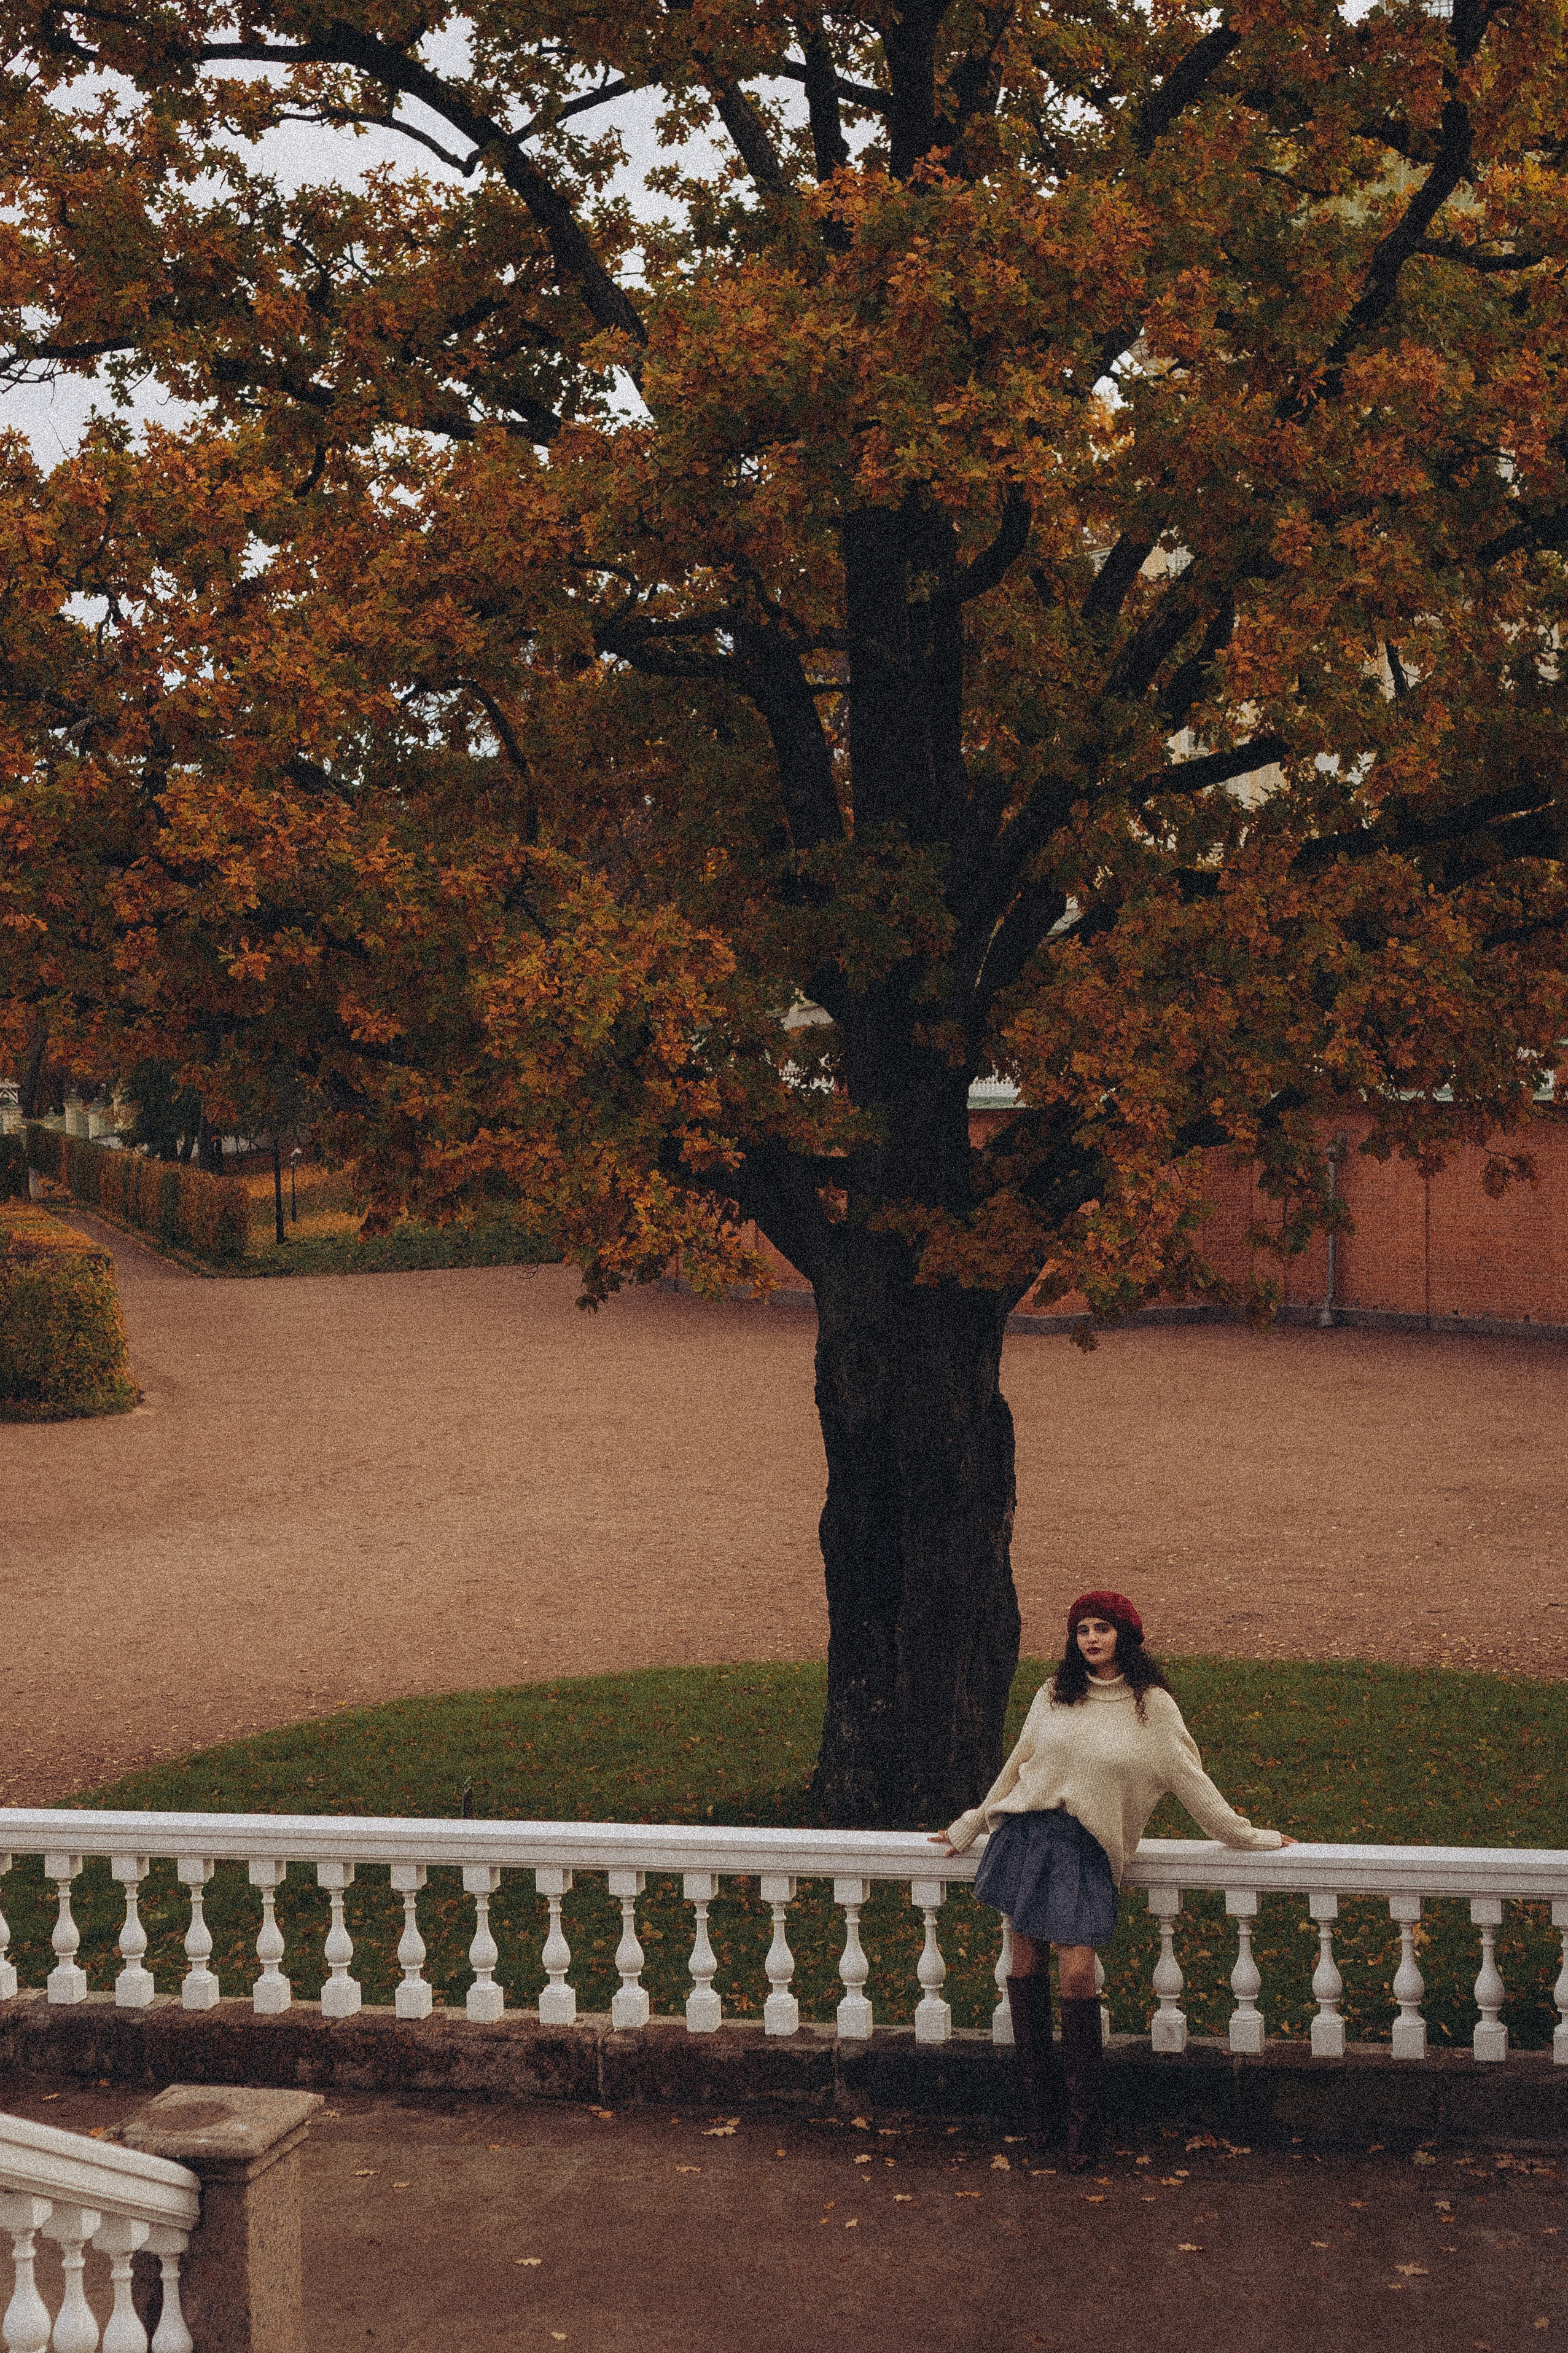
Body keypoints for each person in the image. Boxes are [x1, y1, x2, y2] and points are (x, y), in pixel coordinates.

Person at [934, 1590, 1292, 2171]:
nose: (1091, 1640)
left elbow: (1191, 1781)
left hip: (1086, 1849)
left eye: (1103, 1628)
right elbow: (1018, 1764)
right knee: (1022, 1966)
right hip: (1027, 1836)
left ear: (1127, 1635)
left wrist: (1250, 1836)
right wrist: (972, 1822)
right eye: (1081, 1631)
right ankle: (1040, 2110)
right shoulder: (1053, 1695)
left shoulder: (1153, 1707)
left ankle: (1084, 2120)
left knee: (1077, 1970)